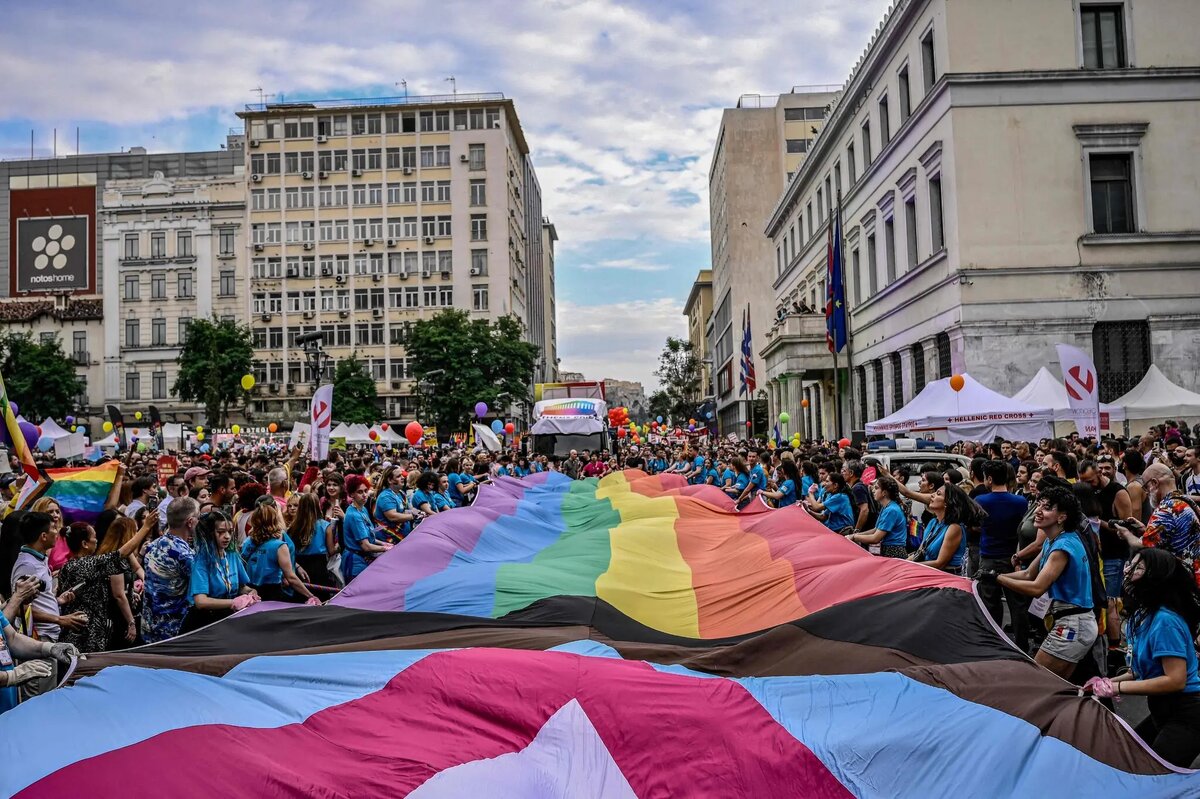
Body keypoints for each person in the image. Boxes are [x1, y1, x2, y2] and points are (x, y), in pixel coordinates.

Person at [1082, 548, 1200, 767]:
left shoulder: (1166, 621)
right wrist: (1104, 682)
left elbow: (1175, 680)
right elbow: (1137, 671)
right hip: (1162, 710)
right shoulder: (1142, 615)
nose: (1127, 571)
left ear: (1155, 577)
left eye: (1137, 567)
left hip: (1188, 713)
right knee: (1128, 755)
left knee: (1154, 774)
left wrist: (1117, 689)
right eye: (1130, 563)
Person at [991, 486, 1095, 680]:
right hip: (1072, 622)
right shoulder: (1053, 540)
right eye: (1039, 505)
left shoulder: (1062, 548)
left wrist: (998, 579)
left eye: (1046, 508)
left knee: (1035, 681)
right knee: (1059, 688)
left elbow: (1037, 587)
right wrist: (993, 574)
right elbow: (1029, 574)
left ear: (1062, 517)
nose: (1038, 511)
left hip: (1073, 625)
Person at [57, 516, 154, 653]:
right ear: (85, 543)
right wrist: (146, 528)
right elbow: (121, 553)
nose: (96, 541)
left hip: (74, 630)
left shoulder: (66, 567)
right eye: (94, 537)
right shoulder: (87, 564)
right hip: (87, 633)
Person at [1116, 462, 1200, 589]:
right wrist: (1145, 529)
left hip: (1182, 581)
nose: (1146, 492)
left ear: (1154, 483)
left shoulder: (1166, 509)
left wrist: (1126, 533)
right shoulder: (1183, 502)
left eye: (1145, 487)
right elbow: (1171, 534)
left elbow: (1143, 545)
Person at [181, 511, 260, 633]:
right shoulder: (201, 561)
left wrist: (250, 593)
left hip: (228, 619)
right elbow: (200, 601)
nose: (227, 536)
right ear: (209, 534)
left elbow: (240, 587)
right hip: (205, 622)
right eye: (221, 532)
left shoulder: (232, 555)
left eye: (229, 531)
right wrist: (233, 602)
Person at [975, 460, 1029, 628]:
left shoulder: (981, 500)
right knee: (1017, 604)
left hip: (988, 556)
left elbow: (975, 525)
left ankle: (995, 639)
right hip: (1013, 557)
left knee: (990, 603)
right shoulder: (1020, 501)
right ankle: (1021, 643)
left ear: (989, 479)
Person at [141, 496, 200, 644]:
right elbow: (202, 587)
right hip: (173, 632)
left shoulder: (152, 546)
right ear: (191, 522)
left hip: (149, 627)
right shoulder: (184, 555)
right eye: (198, 518)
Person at [242, 503, 318, 605]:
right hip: (272, 594)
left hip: (251, 594)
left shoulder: (247, 542)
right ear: (274, 521)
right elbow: (291, 577)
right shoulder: (279, 546)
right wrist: (311, 596)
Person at [95, 516, 145, 650]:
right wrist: (131, 623)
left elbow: (137, 568)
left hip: (125, 608)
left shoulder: (126, 553)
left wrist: (143, 582)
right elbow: (118, 595)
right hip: (115, 615)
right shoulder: (113, 558)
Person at [906, 483, 974, 574]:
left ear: (947, 503)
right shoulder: (933, 522)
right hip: (927, 573)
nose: (932, 495)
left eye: (938, 494)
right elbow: (920, 552)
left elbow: (940, 563)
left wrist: (910, 566)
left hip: (947, 578)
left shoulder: (954, 528)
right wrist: (902, 563)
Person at [340, 475, 390, 583]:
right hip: (355, 562)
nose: (364, 495)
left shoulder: (362, 509)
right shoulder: (354, 515)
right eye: (360, 492)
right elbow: (366, 546)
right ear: (351, 494)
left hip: (362, 559)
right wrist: (386, 549)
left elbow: (370, 536)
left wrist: (385, 544)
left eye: (366, 491)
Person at [849, 476, 908, 558]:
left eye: (876, 488)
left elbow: (875, 538)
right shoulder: (886, 507)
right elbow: (876, 530)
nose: (873, 490)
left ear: (884, 492)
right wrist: (855, 535)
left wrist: (854, 537)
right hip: (888, 549)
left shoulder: (891, 510)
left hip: (893, 551)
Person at [290, 494, 336, 588]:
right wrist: (338, 547)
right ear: (317, 506)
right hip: (319, 565)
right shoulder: (325, 526)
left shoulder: (293, 527)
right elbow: (331, 551)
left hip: (300, 565)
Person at [374, 464, 419, 539]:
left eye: (401, 475)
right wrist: (413, 516)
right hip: (387, 539)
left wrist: (416, 512)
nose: (402, 478)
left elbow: (402, 511)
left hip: (399, 537)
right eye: (398, 476)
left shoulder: (400, 493)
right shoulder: (385, 496)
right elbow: (392, 516)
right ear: (390, 480)